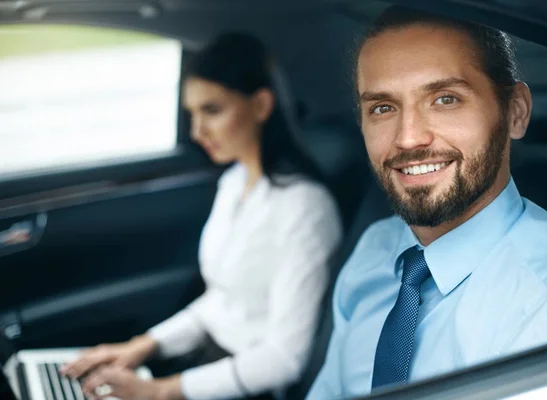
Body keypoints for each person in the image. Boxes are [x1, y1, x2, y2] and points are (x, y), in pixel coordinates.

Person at [307, 6, 547, 399]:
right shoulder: (374, 250)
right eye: (382, 108)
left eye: (445, 99)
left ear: (516, 111)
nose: (409, 138)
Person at [61, 32, 342, 400]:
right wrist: (141, 346)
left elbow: (285, 357)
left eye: (212, 110)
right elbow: (221, 302)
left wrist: (159, 391)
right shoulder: (234, 182)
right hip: (202, 366)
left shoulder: (305, 208)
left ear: (260, 105)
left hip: (248, 386)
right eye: (192, 114)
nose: (197, 131)